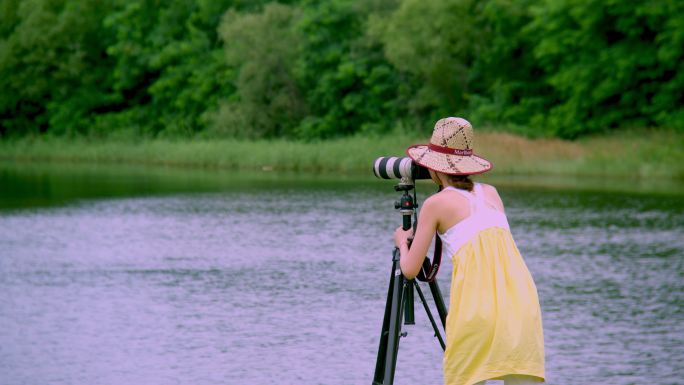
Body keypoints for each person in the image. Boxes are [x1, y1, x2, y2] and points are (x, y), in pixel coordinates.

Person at [394, 117, 545, 385]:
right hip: (521, 301)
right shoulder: (492, 193)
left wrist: (401, 241)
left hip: (477, 308)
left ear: (434, 168)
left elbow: (410, 270)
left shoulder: (435, 204)